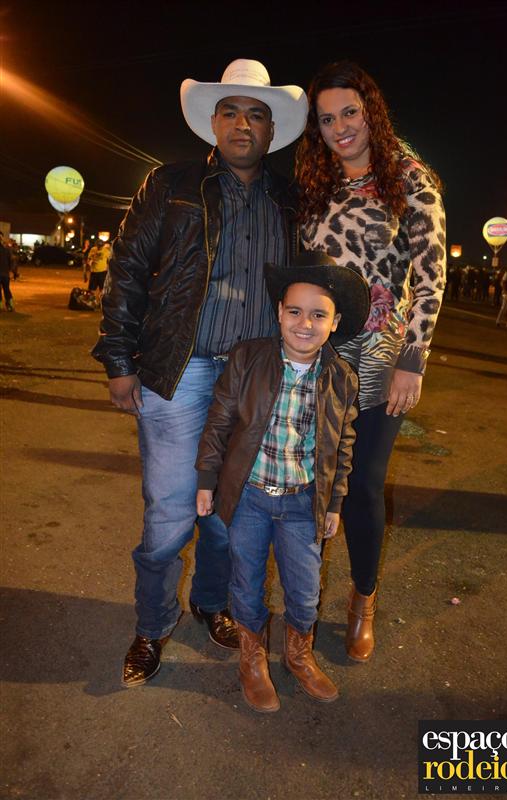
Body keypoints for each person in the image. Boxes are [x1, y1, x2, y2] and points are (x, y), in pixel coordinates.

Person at [91, 59, 308, 687]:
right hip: (180, 368)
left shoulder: (291, 201)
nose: (243, 124)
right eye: (231, 112)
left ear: (272, 130)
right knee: (169, 512)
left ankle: (212, 605)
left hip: (252, 380)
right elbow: (128, 269)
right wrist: (119, 359)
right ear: (213, 123)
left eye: (256, 114)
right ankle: (152, 625)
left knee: (228, 510)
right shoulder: (172, 184)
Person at [295, 60, 446, 663]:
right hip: (317, 352)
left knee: (361, 484)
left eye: (350, 113)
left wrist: (414, 358)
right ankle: (303, 603)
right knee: (310, 478)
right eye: (326, 119)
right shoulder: (319, 180)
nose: (340, 128)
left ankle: (363, 600)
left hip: (382, 358)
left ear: (371, 111)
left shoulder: (409, 177)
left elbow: (431, 278)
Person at [195, 253, 370, 711]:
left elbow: (343, 446)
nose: (304, 324)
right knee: (246, 584)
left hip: (302, 504)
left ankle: (298, 654)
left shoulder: (341, 378)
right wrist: (207, 479)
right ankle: (252, 659)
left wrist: (334, 503)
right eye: (294, 311)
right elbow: (218, 422)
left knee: (305, 592)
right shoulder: (247, 357)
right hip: (249, 499)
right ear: (278, 312)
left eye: (318, 315)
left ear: (335, 323)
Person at [0, 232, 15, 311]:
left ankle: (2, 305)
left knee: (5, 289)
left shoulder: (6, 249)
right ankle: (10, 305)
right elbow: (11, 261)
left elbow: (11, 261)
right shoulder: (7, 249)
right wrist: (11, 271)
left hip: (4, 273)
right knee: (6, 289)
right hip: (5, 274)